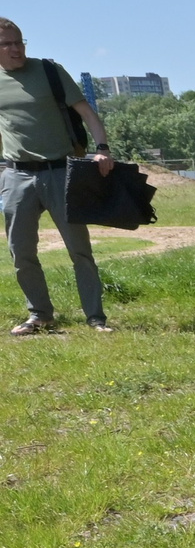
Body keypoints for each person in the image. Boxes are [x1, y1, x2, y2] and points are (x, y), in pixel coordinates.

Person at [0, 17, 116, 335]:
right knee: (21, 251)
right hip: (16, 176)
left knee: (80, 250)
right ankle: (40, 315)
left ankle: (96, 318)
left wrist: (102, 149)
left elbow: (87, 112)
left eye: (19, 41)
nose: (16, 49)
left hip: (60, 171)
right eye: (7, 44)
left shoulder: (49, 71)